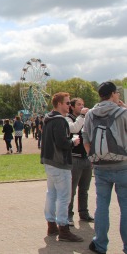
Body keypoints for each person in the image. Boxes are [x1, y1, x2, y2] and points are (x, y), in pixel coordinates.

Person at [82, 82, 127, 254]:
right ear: (113, 94)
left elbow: (86, 138)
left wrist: (93, 158)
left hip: (100, 166)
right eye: (117, 93)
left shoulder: (91, 114)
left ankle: (100, 244)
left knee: (102, 205)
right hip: (122, 165)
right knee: (125, 207)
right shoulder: (123, 113)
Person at [41, 92, 83, 242]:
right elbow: (62, 143)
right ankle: (63, 228)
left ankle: (51, 224)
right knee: (64, 197)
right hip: (59, 162)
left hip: (50, 161)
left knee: (51, 194)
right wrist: (73, 142)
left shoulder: (48, 119)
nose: (69, 106)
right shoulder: (60, 121)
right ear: (59, 104)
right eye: (66, 103)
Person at [65, 97, 93, 227]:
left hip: (86, 157)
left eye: (83, 104)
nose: (82, 106)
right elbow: (74, 129)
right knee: (71, 189)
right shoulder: (68, 118)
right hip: (74, 157)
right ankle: (68, 215)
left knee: (84, 188)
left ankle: (84, 212)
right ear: (72, 106)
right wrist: (82, 116)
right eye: (79, 104)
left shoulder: (86, 118)